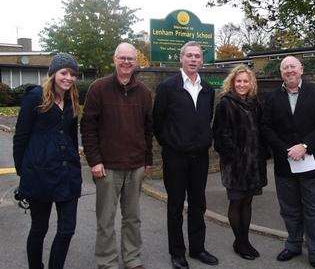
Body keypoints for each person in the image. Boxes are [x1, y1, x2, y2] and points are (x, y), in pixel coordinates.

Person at [81, 43, 153, 269]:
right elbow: (88, 127)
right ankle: (108, 261)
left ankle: (132, 259)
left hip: (135, 166)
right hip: (107, 167)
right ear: (114, 60)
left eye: (130, 59)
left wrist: (148, 160)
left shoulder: (143, 92)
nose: (126, 62)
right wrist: (94, 161)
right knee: (105, 219)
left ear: (136, 62)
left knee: (132, 218)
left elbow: (147, 129)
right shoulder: (98, 88)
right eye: (122, 58)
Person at [261, 56, 315, 269]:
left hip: (311, 163)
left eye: (293, 66)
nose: (289, 70)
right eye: (285, 68)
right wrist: (286, 150)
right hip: (285, 164)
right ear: (281, 73)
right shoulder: (272, 97)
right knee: (289, 209)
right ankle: (293, 245)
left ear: (301, 69)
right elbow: (265, 127)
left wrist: (305, 146)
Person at [153, 41, 218, 269]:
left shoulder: (208, 89)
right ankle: (177, 252)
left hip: (199, 158)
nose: (193, 60)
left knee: (198, 204)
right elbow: (157, 122)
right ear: (181, 59)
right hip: (175, 158)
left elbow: (207, 118)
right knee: (175, 206)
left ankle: (197, 248)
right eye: (189, 55)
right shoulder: (167, 87)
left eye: (197, 56)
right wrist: (171, 144)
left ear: (202, 60)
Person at [13, 53, 82, 269]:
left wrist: (75, 164)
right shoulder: (35, 98)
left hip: (67, 174)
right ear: (53, 74)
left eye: (72, 74)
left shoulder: (72, 100)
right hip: (39, 174)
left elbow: (71, 136)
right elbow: (21, 137)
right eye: (64, 72)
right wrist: (23, 172)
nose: (68, 78)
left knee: (67, 229)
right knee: (39, 229)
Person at [213, 64, 268, 261]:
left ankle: (243, 241)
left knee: (248, 202)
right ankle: (240, 242)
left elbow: (262, 131)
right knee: (236, 203)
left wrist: (262, 154)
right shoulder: (225, 104)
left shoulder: (255, 104)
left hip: (254, 166)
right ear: (232, 83)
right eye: (239, 81)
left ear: (251, 83)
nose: (242, 84)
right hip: (235, 166)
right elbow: (220, 136)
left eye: (246, 81)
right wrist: (236, 156)